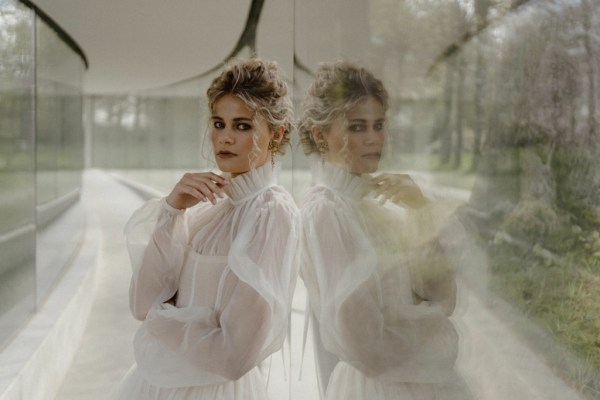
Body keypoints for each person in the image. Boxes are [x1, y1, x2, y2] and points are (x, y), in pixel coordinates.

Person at [116, 58, 300, 400]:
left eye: (242, 126)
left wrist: (160, 321)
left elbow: (233, 355)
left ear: (276, 135)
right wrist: (172, 209)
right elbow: (143, 303)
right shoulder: (207, 206)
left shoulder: (272, 213)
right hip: (154, 385)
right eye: (219, 123)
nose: (225, 138)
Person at [298, 61, 471, 400]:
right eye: (357, 127)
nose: (374, 139)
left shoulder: (382, 205)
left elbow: (441, 296)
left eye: (379, 125)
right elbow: (366, 346)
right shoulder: (325, 213)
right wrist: (432, 325)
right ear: (320, 135)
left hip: (427, 386)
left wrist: (420, 208)